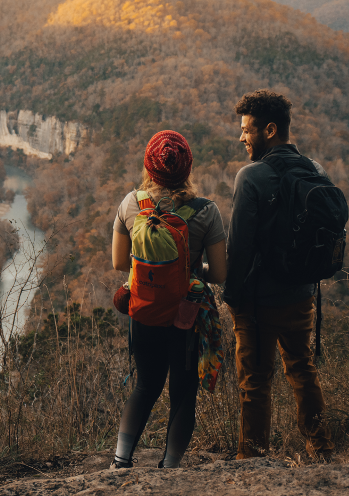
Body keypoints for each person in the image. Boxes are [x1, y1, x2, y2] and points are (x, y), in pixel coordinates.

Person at [222, 89, 336, 462]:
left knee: (255, 383)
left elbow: (238, 250)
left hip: (258, 304)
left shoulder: (251, 177)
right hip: (303, 295)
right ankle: (321, 450)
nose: (241, 137)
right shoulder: (315, 168)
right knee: (303, 371)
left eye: (246, 130)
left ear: (269, 130)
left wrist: (232, 298)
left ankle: (252, 459)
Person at [109, 130, 227, 469]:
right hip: (185, 318)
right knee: (182, 394)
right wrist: (193, 267)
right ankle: (170, 467)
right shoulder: (207, 212)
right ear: (187, 167)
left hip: (143, 312)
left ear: (148, 166)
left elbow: (120, 263)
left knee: (145, 386)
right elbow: (218, 274)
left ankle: (120, 460)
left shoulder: (131, 204)